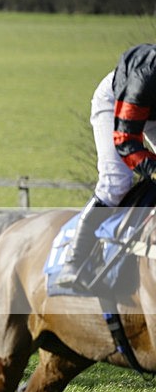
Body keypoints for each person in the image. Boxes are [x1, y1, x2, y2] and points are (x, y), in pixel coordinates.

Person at [56, 44, 156, 288]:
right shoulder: (146, 75)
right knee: (116, 182)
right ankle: (74, 259)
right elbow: (126, 140)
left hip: (153, 111)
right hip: (118, 104)